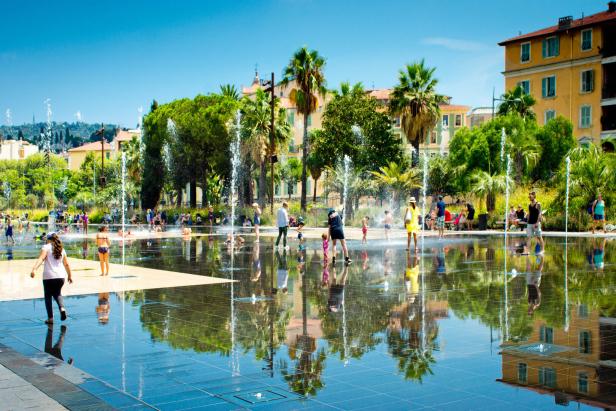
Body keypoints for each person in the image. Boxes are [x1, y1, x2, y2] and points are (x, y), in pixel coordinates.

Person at [30, 233, 73, 324]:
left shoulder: (46, 247)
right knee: (57, 293)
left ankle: (50, 318)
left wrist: (34, 269)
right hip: (61, 276)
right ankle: (62, 308)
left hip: (49, 276)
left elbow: (41, 258)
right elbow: (66, 264)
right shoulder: (62, 249)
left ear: (49, 239)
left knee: (48, 296)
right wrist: (70, 275)